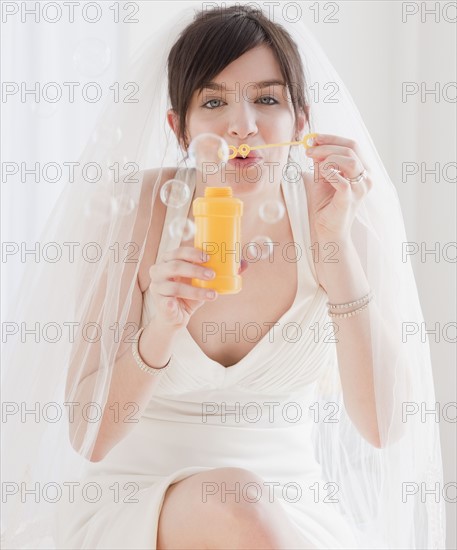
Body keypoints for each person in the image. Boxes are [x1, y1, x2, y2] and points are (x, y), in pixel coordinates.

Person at [1, 4, 445, 550]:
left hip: (290, 514)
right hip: (137, 506)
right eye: (213, 102)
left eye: (267, 99)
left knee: (247, 507)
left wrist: (335, 254)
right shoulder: (133, 214)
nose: (243, 125)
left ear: (300, 123)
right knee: (237, 502)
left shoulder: (342, 215)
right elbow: (88, 437)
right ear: (179, 128)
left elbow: (385, 428)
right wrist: (159, 329)